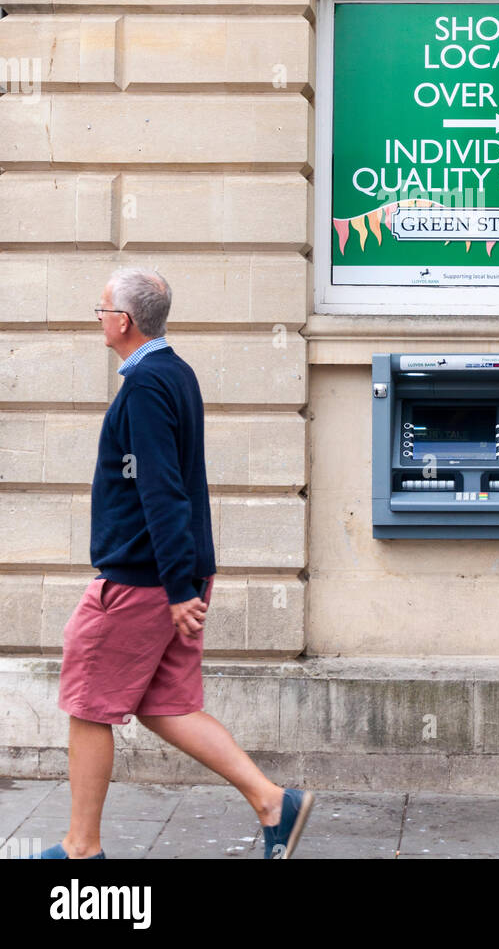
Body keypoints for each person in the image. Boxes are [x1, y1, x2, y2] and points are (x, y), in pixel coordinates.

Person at [35, 268, 313, 861]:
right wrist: (184, 580)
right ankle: (273, 803)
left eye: (101, 308)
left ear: (122, 322)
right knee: (165, 706)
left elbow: (162, 489)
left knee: (87, 705)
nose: (99, 317)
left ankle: (81, 850)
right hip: (171, 576)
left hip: (142, 580)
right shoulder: (174, 373)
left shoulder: (145, 386)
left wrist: (176, 587)